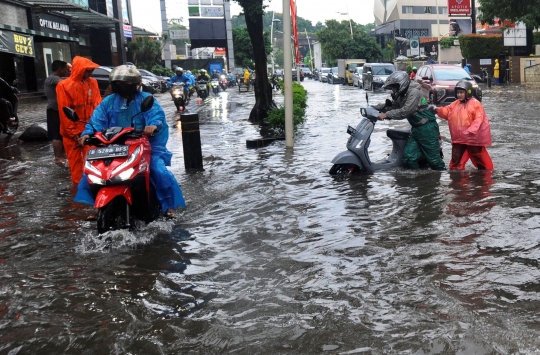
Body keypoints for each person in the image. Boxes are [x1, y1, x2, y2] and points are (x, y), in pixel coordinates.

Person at [75, 65, 186, 216]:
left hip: (143, 145)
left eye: (126, 84)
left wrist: (152, 126)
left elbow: (157, 116)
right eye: (119, 84)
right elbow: (96, 121)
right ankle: (98, 206)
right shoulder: (108, 102)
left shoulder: (146, 99)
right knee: (91, 172)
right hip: (112, 146)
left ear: (135, 85)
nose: (122, 87)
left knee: (158, 171)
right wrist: (87, 134)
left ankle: (168, 206)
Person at [375, 71, 445, 170]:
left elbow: (407, 110)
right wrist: (376, 108)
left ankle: (444, 180)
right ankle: (416, 181)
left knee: (435, 162)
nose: (394, 90)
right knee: (408, 158)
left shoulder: (414, 92)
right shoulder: (402, 94)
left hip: (427, 129)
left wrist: (387, 115)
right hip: (416, 129)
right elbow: (393, 106)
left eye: (395, 87)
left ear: (401, 84)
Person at [56, 56, 101, 184]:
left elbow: (98, 107)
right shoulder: (63, 86)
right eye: (88, 70)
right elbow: (64, 111)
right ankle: (78, 191)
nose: (90, 73)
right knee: (75, 165)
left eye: (91, 70)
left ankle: (93, 186)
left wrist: (95, 128)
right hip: (72, 134)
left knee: (93, 161)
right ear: (80, 69)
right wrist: (74, 133)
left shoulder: (93, 83)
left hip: (89, 130)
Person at [434, 80, 493, 171]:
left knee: (479, 157)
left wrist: (472, 130)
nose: (459, 95)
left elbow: (479, 118)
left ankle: (485, 174)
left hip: (472, 139)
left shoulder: (475, 104)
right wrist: (437, 110)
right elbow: (447, 112)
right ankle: (457, 178)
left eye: (461, 92)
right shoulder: (455, 104)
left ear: (468, 92)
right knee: (456, 159)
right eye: (458, 92)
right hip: (459, 139)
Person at [43, 60, 70, 165]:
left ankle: (62, 155)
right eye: (65, 70)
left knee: (62, 133)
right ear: (59, 69)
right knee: (57, 135)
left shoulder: (55, 78)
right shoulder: (52, 79)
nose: (66, 72)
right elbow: (65, 83)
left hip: (59, 110)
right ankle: (58, 157)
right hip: (54, 110)